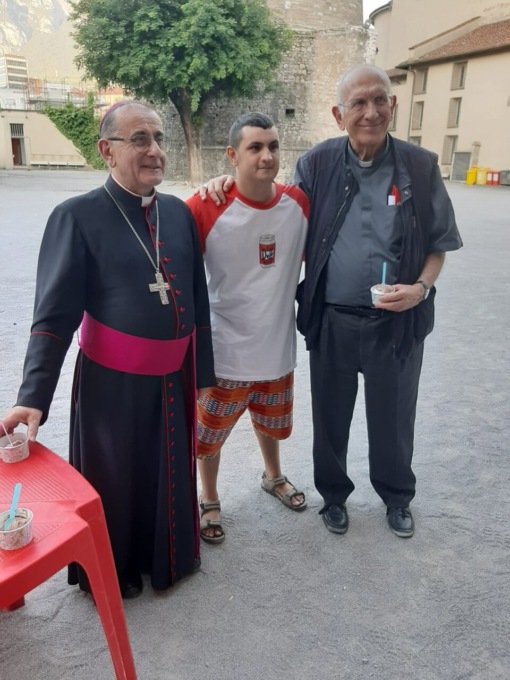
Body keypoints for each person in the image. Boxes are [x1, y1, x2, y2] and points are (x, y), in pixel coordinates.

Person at [200, 65, 463, 538]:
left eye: (379, 100)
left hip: (397, 322)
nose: (371, 112)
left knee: (394, 418)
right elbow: (275, 205)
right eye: (358, 103)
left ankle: (397, 497)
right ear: (339, 115)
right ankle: (334, 497)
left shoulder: (421, 167)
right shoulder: (317, 164)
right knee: (330, 419)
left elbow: (438, 244)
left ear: (393, 105)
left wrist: (420, 289)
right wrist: (226, 184)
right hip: (333, 320)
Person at [1, 101, 215, 597]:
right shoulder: (76, 217)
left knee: (168, 469)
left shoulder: (178, 214)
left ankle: (168, 558)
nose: (154, 150)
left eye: (159, 138)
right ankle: (116, 570)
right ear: (107, 150)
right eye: (139, 139)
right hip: (111, 386)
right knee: (117, 478)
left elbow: (199, 301)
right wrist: (33, 396)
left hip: (172, 379)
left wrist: (204, 374)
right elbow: (53, 318)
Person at [186, 112, 309, 544]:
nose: (266, 156)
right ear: (232, 155)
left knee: (270, 425)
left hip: (277, 350)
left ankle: (273, 476)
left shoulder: (299, 204)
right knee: (207, 438)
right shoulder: (205, 206)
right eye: (254, 147)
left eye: (273, 146)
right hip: (225, 354)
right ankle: (209, 498)